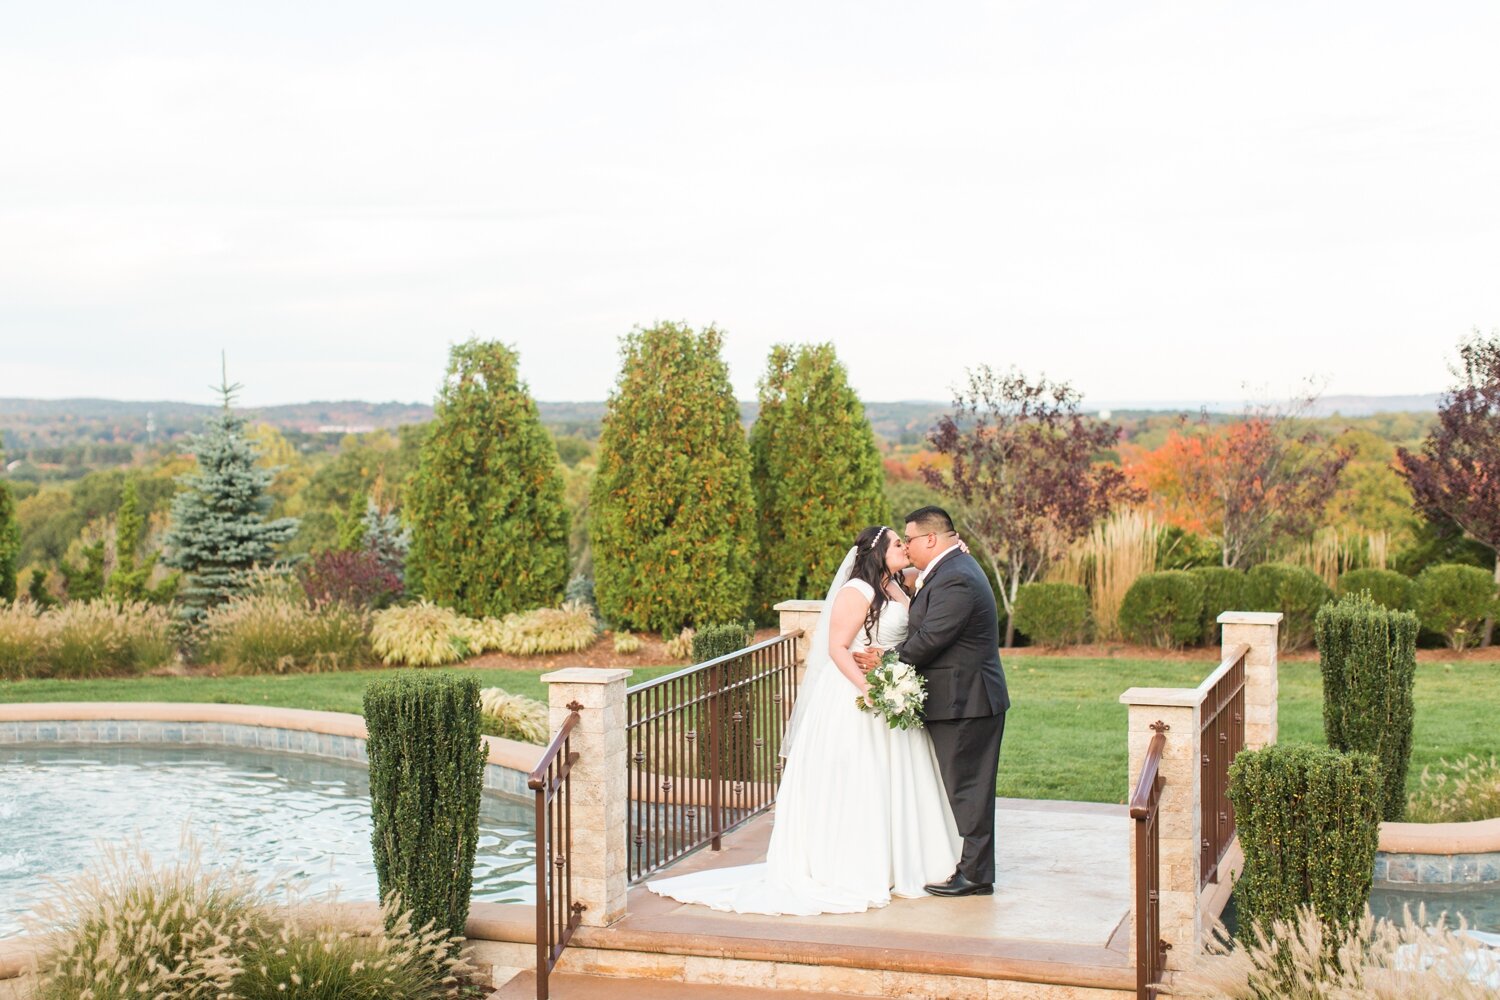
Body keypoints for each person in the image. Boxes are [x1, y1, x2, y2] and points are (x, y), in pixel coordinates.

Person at [645, 525, 960, 914]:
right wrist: (868, 688)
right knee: (862, 777)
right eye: (898, 544)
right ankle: (855, 864)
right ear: (878, 551)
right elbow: (836, 647)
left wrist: (951, 546)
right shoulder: (857, 591)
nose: (905, 549)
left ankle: (902, 861)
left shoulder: (898, 583)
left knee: (895, 776)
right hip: (855, 693)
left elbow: (933, 571)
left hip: (891, 684)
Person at [853, 505, 1008, 897]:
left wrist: (886, 660)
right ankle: (973, 867)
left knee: (968, 789)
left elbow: (932, 637)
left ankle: (975, 875)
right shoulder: (946, 569)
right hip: (960, 700)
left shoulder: (956, 577)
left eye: (910, 540)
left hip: (966, 702)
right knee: (964, 788)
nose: (906, 547)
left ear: (931, 540)